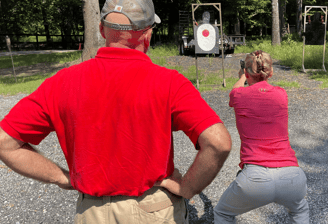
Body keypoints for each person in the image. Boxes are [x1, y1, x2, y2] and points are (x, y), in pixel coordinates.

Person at [0, 0, 232, 223]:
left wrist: (62, 177)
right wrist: (187, 187)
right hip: (154, 210)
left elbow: (4, 142)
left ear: (102, 30)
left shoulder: (61, 83)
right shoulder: (170, 82)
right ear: (147, 35)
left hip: (91, 212)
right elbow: (218, 142)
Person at [214, 50, 309, 224]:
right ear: (271, 73)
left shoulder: (238, 95)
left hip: (254, 178)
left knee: (222, 213)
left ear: (246, 72)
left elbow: (235, 90)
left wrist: (242, 77)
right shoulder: (281, 94)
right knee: (300, 209)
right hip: (292, 175)